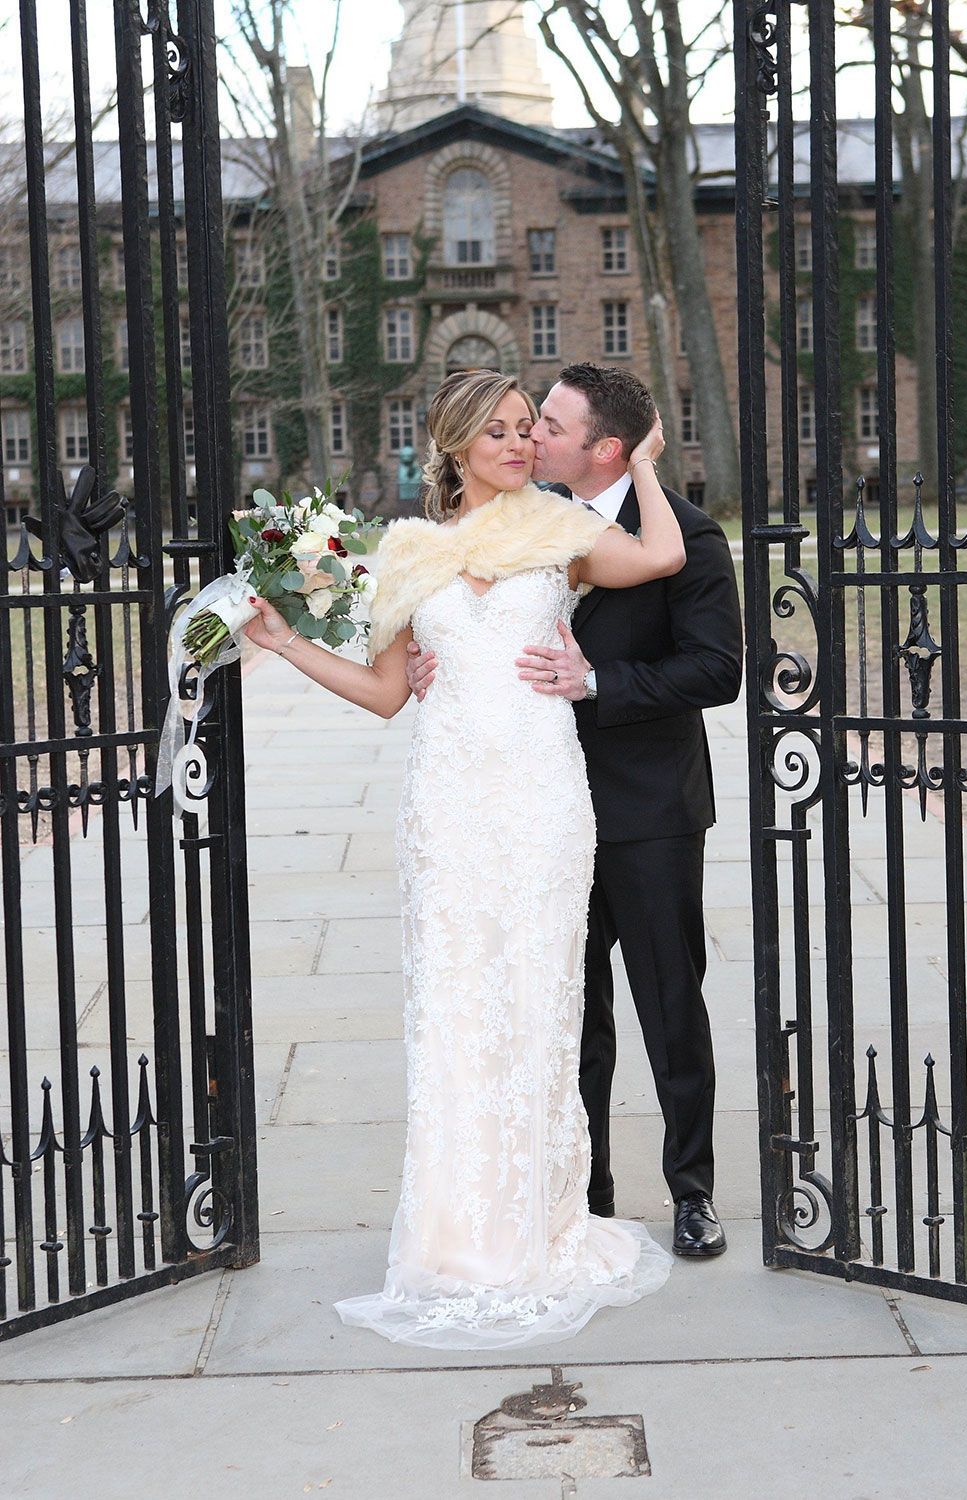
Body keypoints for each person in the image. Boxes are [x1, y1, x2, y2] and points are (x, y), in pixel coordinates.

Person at [243, 368, 685, 1349]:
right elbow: (388, 693)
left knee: (539, 1006)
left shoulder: (560, 534)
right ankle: (456, 1238)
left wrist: (646, 463)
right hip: (448, 809)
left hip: (541, 803)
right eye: (499, 431)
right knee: (456, 1014)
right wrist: (283, 642)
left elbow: (660, 556)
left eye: (528, 429)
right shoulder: (408, 552)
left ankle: (538, 1225)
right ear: (453, 444)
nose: (520, 444)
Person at [406, 364, 743, 1259]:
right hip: (536, 809)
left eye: (549, 425)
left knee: (670, 1003)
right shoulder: (526, 527)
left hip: (646, 811)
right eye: (524, 424)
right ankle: (579, 1193)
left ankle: (692, 1192)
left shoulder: (691, 537)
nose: (532, 437)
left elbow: (717, 670)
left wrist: (598, 680)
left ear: (604, 449)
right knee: (565, 1011)